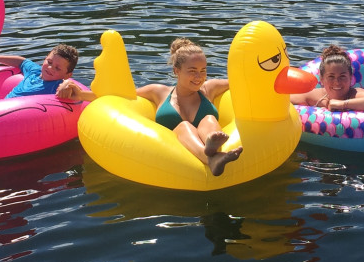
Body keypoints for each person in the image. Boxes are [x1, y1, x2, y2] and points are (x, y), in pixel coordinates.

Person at [57, 38, 242, 176]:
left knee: (208, 119)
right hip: (171, 153)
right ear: (176, 71)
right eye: (192, 71)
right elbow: (120, 97)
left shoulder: (209, 88)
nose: (199, 77)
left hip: (206, 136)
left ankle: (213, 148)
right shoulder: (159, 92)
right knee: (184, 127)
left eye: (203, 71)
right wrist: (81, 94)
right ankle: (210, 156)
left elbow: (244, 82)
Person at [290, 45, 364, 112]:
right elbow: (282, 99)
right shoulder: (315, 96)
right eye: (331, 77)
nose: (337, 82)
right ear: (322, 79)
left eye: (342, 76)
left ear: (350, 77)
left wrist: (343, 104)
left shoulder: (355, 95)